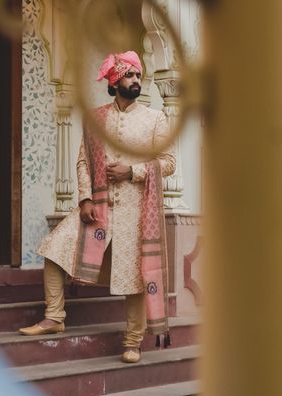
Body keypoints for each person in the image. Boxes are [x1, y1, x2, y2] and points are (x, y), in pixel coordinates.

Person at [19, 51, 175, 364]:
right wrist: (85, 198)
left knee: (135, 278)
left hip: (136, 210)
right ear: (115, 81)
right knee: (54, 248)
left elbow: (168, 163)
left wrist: (133, 172)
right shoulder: (96, 118)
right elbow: (82, 162)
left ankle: (133, 342)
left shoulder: (155, 119)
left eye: (137, 75)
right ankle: (54, 316)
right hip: (99, 207)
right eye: (129, 75)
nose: (135, 80)